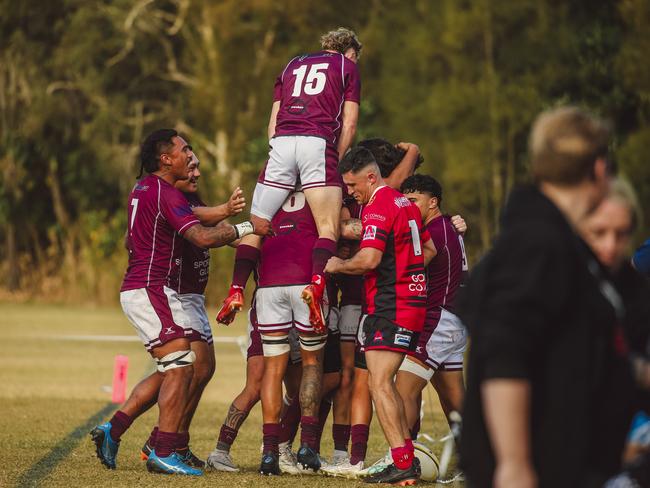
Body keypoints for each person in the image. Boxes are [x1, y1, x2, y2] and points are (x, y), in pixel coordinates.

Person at [459, 107, 634, 488]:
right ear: (600, 168)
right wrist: (514, 463)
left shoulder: (558, 241)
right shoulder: (539, 242)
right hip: (537, 469)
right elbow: (505, 349)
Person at [90, 129, 265, 476]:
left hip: (156, 289)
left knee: (188, 367)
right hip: (153, 288)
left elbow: (201, 219)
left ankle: (133, 434)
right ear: (166, 158)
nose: (194, 164)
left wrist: (240, 223)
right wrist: (247, 225)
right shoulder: (165, 193)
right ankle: (162, 448)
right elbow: (202, 234)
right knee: (183, 366)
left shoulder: (149, 189)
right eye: (186, 152)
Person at [221, 27, 363, 335]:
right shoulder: (346, 66)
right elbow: (349, 123)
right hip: (317, 142)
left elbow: (272, 124)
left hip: (282, 144)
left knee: (258, 222)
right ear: (351, 52)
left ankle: (235, 288)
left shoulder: (291, 64)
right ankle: (315, 283)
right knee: (327, 226)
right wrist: (333, 159)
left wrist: (281, 156)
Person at [324, 147, 435, 485]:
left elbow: (369, 259)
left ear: (371, 177)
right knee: (383, 383)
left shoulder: (379, 206)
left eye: (353, 185)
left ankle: (402, 463)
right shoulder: (405, 204)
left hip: (390, 306)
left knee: (378, 383)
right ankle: (406, 461)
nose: (351, 192)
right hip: (410, 304)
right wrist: (407, 273)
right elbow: (428, 250)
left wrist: (338, 265)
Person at [138, 156, 245, 467]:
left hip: (194, 298)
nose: (197, 172)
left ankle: (167, 440)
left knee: (201, 370)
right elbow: (203, 226)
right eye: (191, 167)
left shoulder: (192, 199)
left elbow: (222, 229)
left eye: (198, 166)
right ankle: (161, 441)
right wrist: (237, 219)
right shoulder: (175, 201)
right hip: (178, 296)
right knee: (187, 370)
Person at [579, 178, 650, 487]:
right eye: (599, 233)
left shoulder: (633, 293)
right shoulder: (552, 284)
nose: (610, 245)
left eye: (621, 235)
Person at [396, 174, 468, 443]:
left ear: (433, 202)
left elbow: (405, 271)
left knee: (403, 390)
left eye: (413, 200)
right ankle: (480, 463)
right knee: (454, 400)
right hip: (454, 320)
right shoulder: (448, 226)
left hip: (439, 319)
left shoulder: (435, 231)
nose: (408, 206)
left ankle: (402, 458)